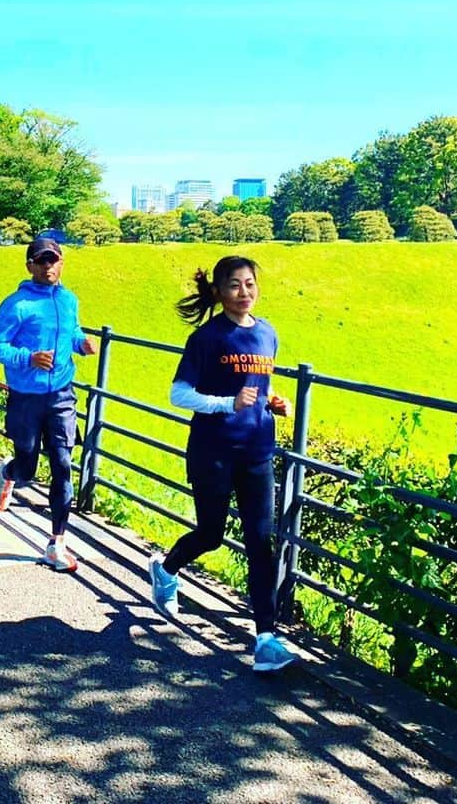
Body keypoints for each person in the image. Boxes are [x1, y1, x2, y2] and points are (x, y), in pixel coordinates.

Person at [148, 256, 297, 673]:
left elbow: (256, 385)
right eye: (234, 285)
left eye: (250, 283)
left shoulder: (267, 333)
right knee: (211, 534)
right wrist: (225, 404)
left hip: (257, 451)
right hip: (213, 450)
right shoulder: (207, 338)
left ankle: (265, 639)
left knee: (260, 543)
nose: (244, 292)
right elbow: (179, 394)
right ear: (218, 291)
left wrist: (274, 401)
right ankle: (165, 567)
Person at [0, 237, 97, 573]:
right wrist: (28, 358)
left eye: (54, 260)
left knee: (63, 463)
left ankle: (57, 543)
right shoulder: (16, 305)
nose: (49, 266)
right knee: (28, 469)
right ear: (30, 265)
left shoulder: (69, 300)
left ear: (62, 262)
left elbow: (71, 332)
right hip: (25, 397)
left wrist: (81, 344)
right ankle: (9, 473)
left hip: (62, 394)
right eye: (41, 261)